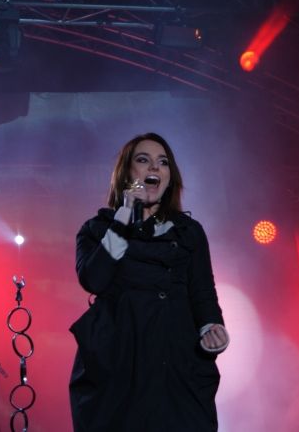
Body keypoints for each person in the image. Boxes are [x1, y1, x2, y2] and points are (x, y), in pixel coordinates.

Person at [69, 132, 230, 432]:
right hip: (119, 364)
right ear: (126, 173)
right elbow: (95, 280)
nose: (154, 167)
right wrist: (124, 216)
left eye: (163, 162)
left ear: (170, 177)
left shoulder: (189, 232)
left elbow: (203, 295)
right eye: (143, 160)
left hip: (176, 365)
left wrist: (212, 329)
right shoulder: (97, 229)